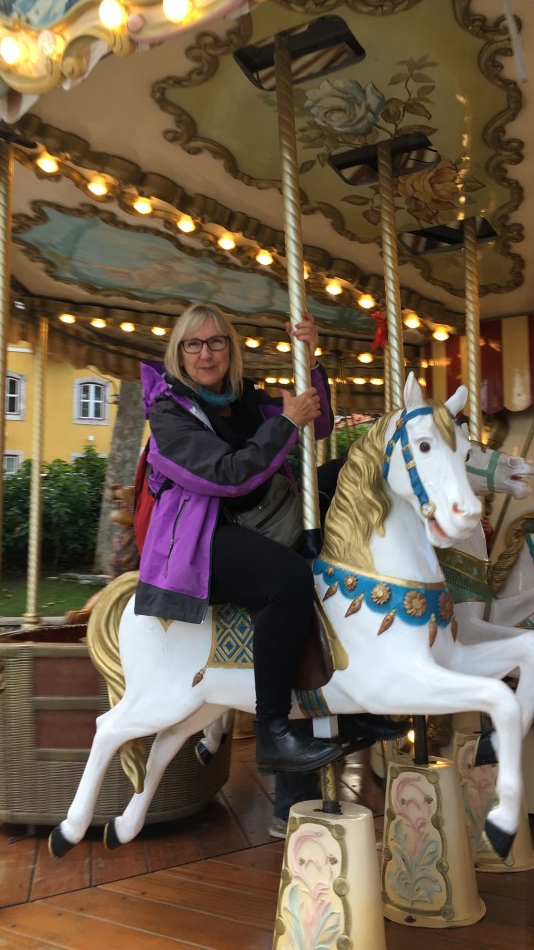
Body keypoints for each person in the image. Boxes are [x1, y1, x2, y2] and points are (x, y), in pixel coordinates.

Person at [136, 302, 342, 774]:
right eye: (193, 345)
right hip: (201, 538)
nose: (205, 354)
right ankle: (273, 730)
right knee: (287, 579)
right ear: (179, 354)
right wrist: (285, 423)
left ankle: (346, 695)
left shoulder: (246, 398)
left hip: (263, 519)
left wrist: (310, 358)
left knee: (347, 482)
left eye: (215, 342)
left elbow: (319, 423)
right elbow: (227, 475)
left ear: (230, 348)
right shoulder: (169, 415)